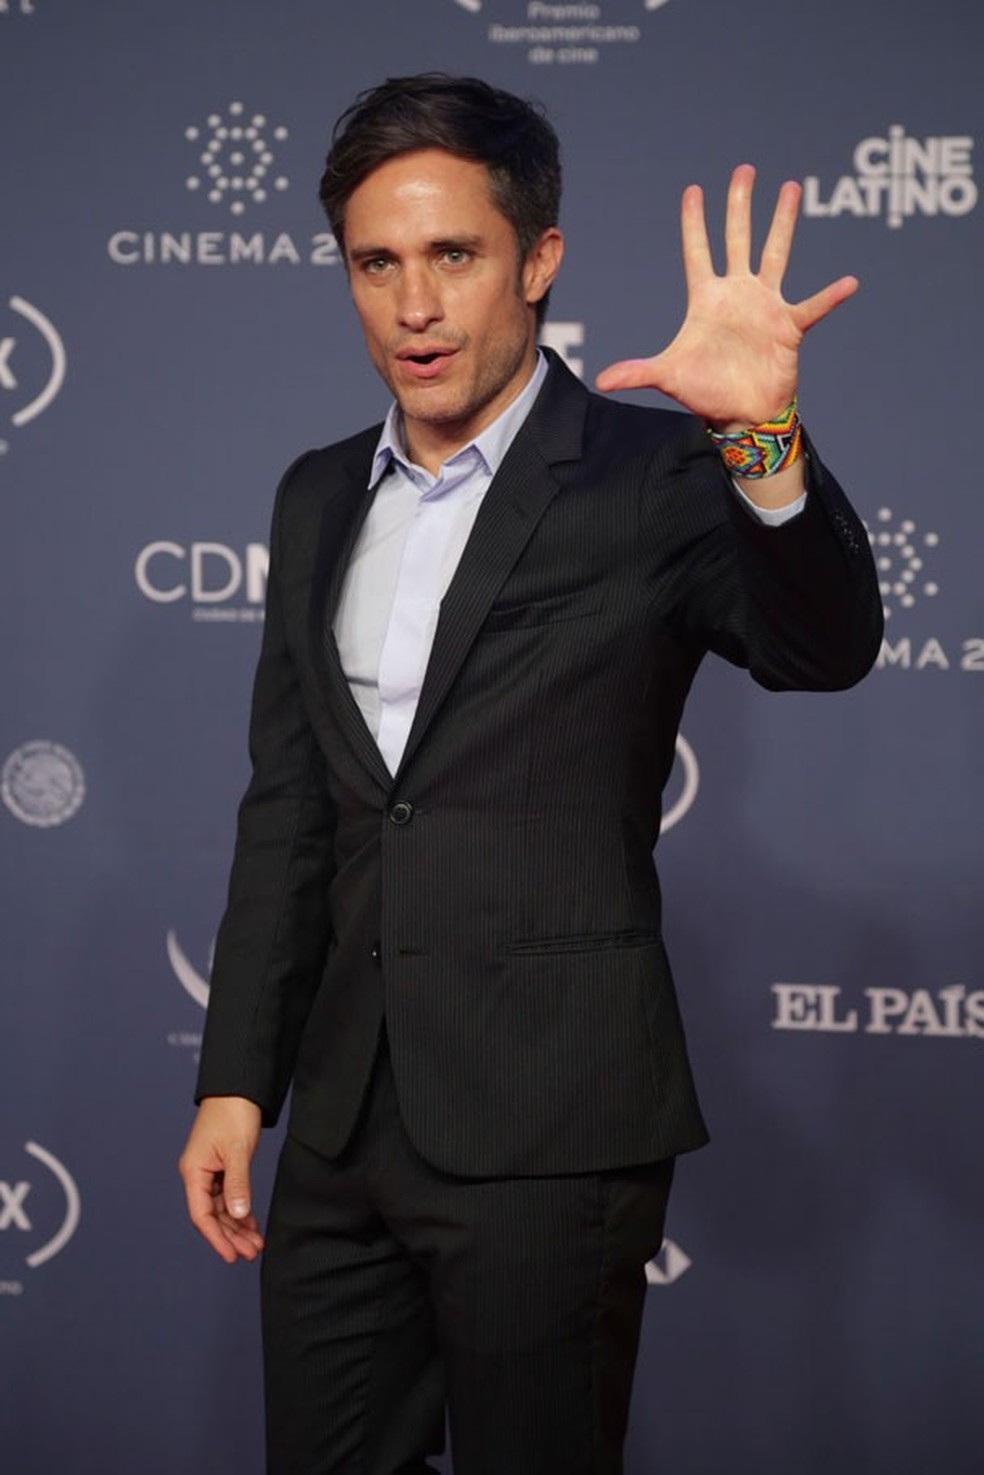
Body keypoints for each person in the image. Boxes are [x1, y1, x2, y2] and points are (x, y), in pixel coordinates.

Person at [179, 73, 882, 1475]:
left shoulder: (650, 470)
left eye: (454, 256)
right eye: (377, 264)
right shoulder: (318, 493)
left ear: (539, 261)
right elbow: (296, 808)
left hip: (554, 1122)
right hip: (342, 1122)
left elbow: (826, 647)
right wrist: (237, 1079)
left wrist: (758, 434)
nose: (413, 306)